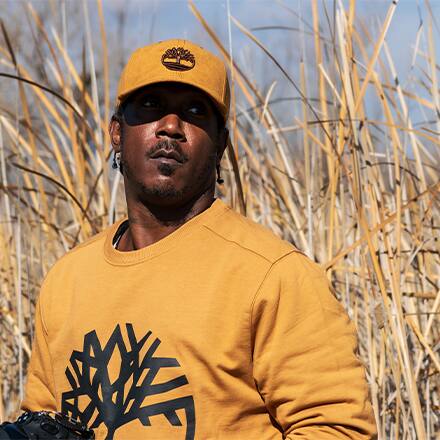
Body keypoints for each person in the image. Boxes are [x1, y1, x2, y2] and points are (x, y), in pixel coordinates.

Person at [21, 39, 377, 439]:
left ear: (220, 144)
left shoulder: (274, 276)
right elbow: (41, 419)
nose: (171, 126)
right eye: (152, 105)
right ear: (117, 133)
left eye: (194, 112)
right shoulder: (67, 280)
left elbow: (338, 430)